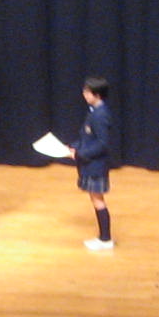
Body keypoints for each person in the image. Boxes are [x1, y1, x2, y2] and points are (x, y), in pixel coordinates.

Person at [55, 76, 116, 251]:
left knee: (98, 200)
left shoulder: (101, 115)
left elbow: (102, 144)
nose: (84, 94)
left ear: (96, 94)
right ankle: (104, 238)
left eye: (87, 91)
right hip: (89, 163)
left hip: (95, 165)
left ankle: (105, 239)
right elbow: (87, 137)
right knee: (95, 200)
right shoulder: (94, 111)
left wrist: (80, 154)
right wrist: (73, 147)